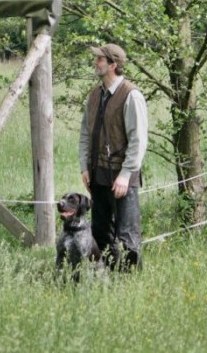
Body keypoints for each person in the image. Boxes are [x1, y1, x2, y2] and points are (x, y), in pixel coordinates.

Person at [78, 43, 148, 271]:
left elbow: (138, 141)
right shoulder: (94, 95)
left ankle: (131, 284)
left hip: (122, 177)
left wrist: (126, 175)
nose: (95, 63)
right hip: (97, 174)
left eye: (99, 59)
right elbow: (85, 134)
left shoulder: (131, 95)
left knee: (128, 235)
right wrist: (84, 167)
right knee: (99, 232)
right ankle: (109, 278)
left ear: (113, 65)